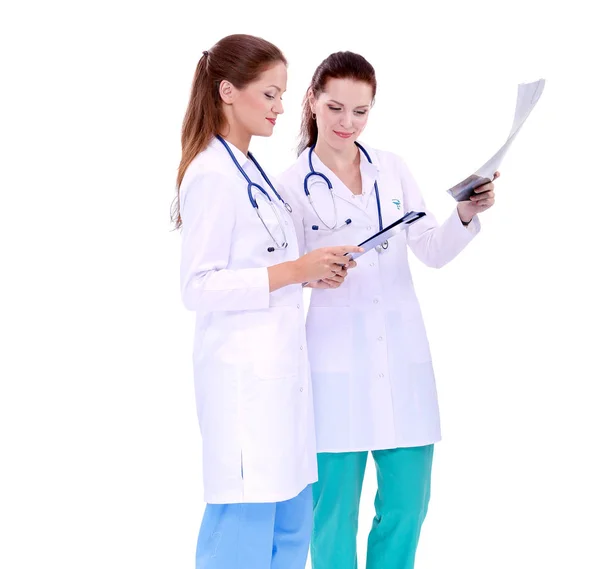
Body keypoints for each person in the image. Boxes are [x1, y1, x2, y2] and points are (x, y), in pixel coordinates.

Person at [276, 51, 498, 569]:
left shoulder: (391, 169)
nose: (346, 122)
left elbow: (432, 250)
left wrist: (464, 212)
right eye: (334, 107)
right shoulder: (289, 185)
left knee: (407, 504)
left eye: (360, 111)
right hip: (332, 365)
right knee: (331, 513)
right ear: (311, 102)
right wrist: (313, 270)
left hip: (401, 360)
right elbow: (282, 276)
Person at [172, 36, 362, 569]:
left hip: (282, 381)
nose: (283, 107)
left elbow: (262, 265)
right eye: (271, 94)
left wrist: (310, 275)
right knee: (243, 536)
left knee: (290, 530)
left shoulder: (250, 169)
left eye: (282, 94)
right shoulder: (210, 174)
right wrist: (295, 270)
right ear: (228, 91)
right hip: (244, 387)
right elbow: (198, 287)